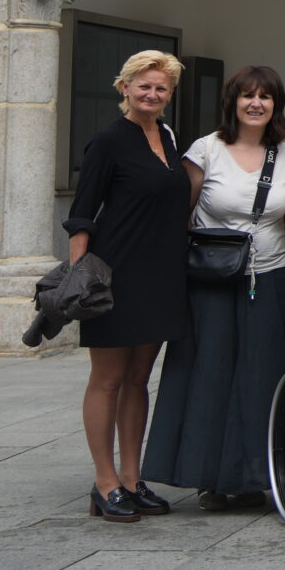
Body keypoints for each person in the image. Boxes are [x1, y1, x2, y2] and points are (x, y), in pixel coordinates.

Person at [145, 65, 285, 512]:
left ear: (276, 105)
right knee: (208, 376)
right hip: (211, 281)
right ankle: (208, 475)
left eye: (265, 97)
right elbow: (180, 213)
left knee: (263, 377)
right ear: (231, 102)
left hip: (269, 278)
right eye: (246, 95)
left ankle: (258, 476)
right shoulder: (205, 150)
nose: (255, 103)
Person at [66, 50, 191, 523]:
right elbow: (81, 215)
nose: (152, 94)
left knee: (139, 379)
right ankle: (104, 482)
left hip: (161, 275)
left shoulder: (169, 137)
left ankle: (133, 479)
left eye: (161, 88)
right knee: (108, 378)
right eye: (144, 85)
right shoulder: (107, 141)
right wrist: (80, 280)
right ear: (124, 87)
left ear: (169, 95)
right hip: (115, 276)